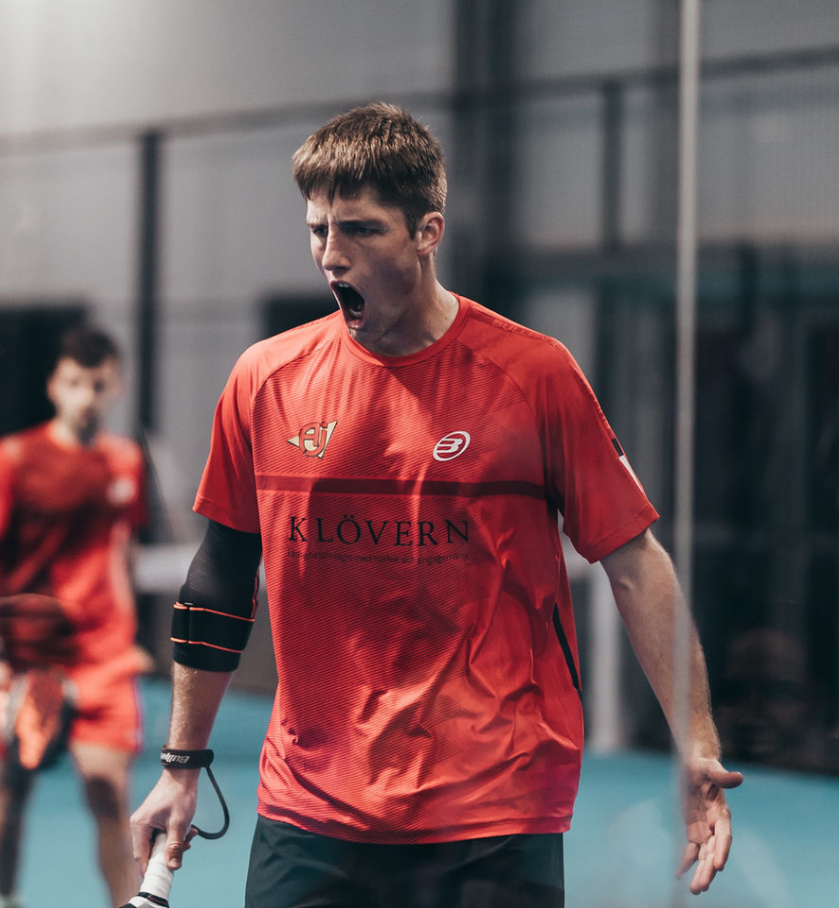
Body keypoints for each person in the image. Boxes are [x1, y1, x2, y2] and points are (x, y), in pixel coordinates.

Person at [130, 103, 743, 907]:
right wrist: (181, 766)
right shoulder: (265, 382)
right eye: (318, 230)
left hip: (495, 808)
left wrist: (695, 739)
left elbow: (635, 564)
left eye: (360, 230)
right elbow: (218, 580)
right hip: (311, 807)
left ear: (428, 232)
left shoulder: (535, 377)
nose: (332, 255)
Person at [0, 326, 149, 908]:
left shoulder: (126, 461)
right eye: (73, 383)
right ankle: (6, 898)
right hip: (27, 662)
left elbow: (122, 552)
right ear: (53, 387)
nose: (85, 397)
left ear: (116, 387)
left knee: (109, 794)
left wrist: (136, 636)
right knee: (12, 793)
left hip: (103, 658)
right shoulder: (13, 459)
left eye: (98, 384)